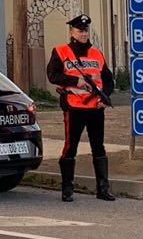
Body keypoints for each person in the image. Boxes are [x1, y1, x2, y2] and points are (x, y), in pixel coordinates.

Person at [47, 14, 115, 202]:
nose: (83, 33)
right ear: (72, 32)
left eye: (85, 30)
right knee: (71, 147)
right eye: (79, 30)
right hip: (74, 107)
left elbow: (108, 80)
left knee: (98, 147)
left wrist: (105, 97)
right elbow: (52, 75)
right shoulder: (60, 51)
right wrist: (75, 81)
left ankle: (103, 189)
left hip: (95, 107)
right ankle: (67, 189)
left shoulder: (97, 53)